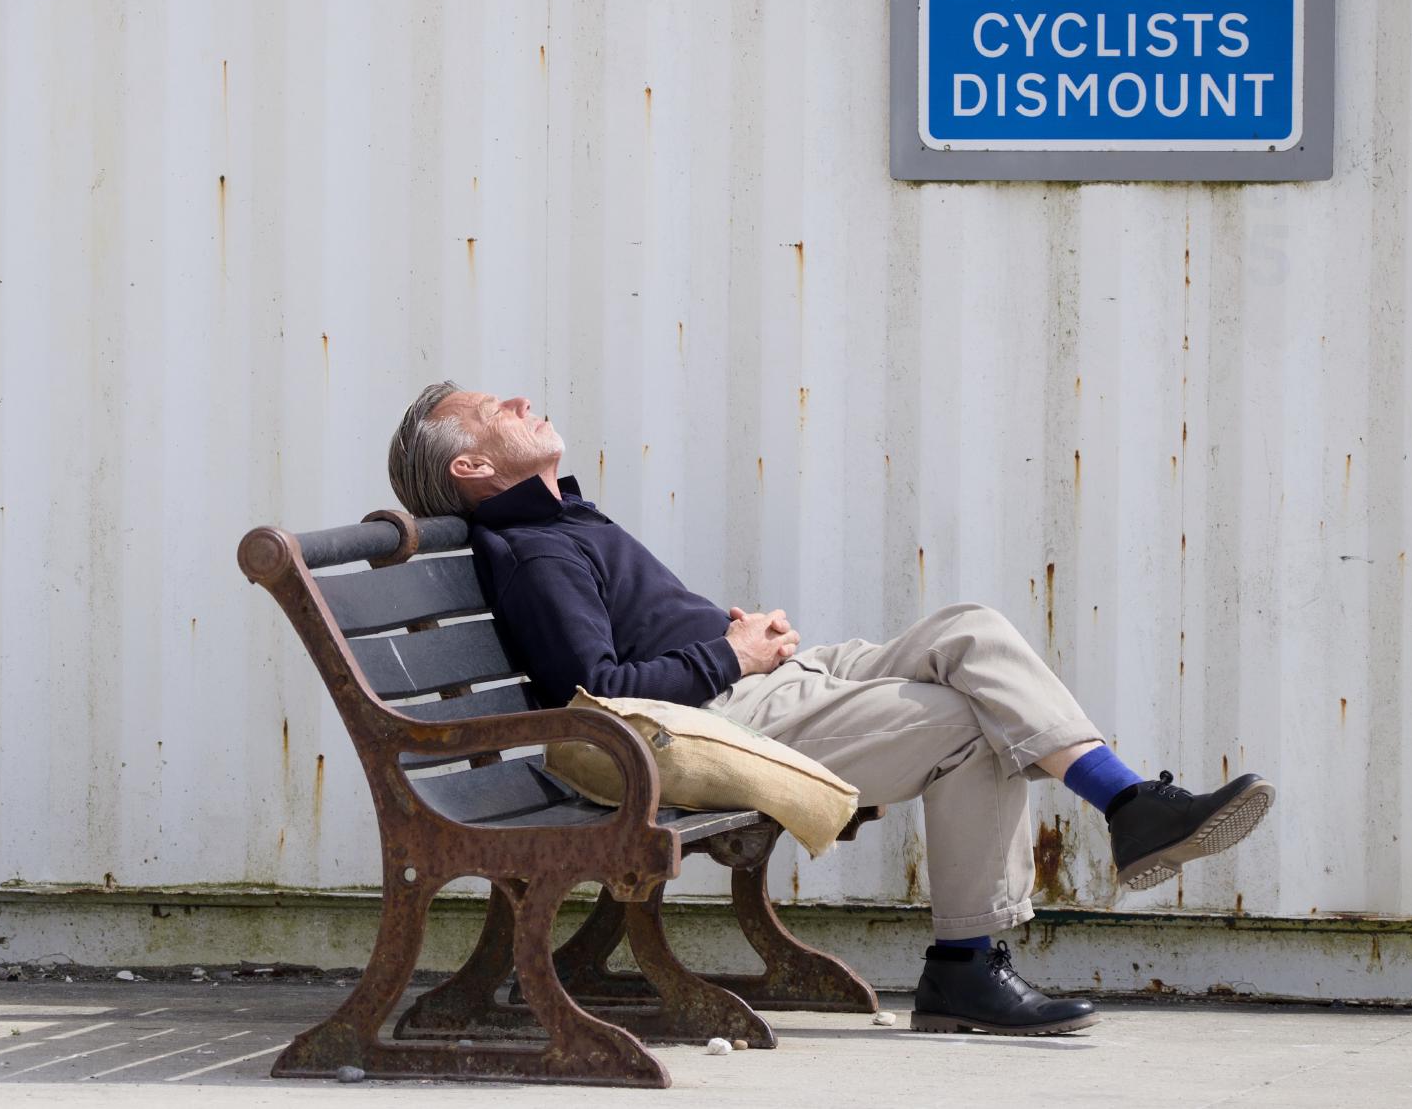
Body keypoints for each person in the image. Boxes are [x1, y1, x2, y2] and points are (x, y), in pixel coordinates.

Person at [386, 382, 1276, 1037]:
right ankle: (968, 963)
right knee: (971, 726)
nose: (522, 399)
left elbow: (630, 635)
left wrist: (732, 630)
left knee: (972, 629)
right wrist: (730, 654)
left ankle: (1127, 803)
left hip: (770, 676)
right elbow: (603, 690)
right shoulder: (537, 552)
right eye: (496, 408)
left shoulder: (559, 523)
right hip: (734, 708)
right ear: (471, 465)